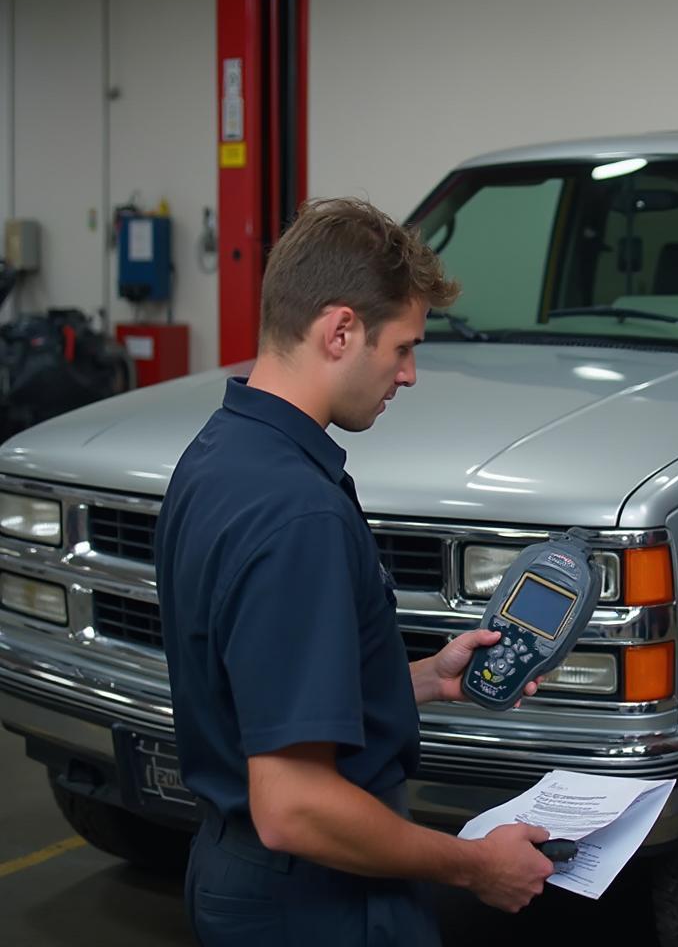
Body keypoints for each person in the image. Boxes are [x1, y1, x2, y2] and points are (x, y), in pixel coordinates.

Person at [154, 198, 554, 946]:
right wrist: (474, 865)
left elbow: (261, 695)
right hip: (316, 903)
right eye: (402, 347)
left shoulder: (217, 457)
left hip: (238, 874)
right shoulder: (297, 513)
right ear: (339, 331)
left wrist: (427, 678)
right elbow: (295, 806)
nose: (409, 374)